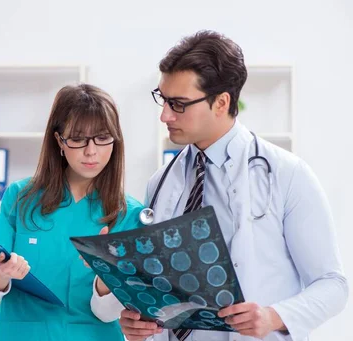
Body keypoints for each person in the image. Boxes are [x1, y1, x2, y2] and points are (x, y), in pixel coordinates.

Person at [91, 30, 348, 341]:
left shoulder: (287, 174)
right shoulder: (161, 183)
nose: (164, 115)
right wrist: (138, 324)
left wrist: (273, 317)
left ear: (221, 102)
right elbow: (159, 289)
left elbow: (333, 284)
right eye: (163, 99)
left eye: (178, 104)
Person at [0, 84, 145, 340]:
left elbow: (107, 313)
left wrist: (105, 275)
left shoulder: (129, 213)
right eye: (77, 139)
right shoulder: (21, 198)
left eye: (102, 137)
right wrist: (1, 273)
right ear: (59, 141)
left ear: (115, 139)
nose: (91, 151)